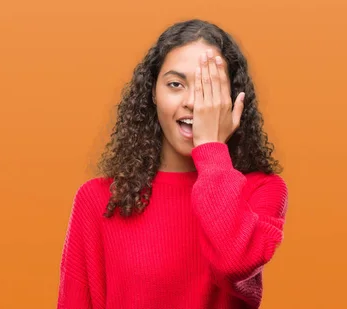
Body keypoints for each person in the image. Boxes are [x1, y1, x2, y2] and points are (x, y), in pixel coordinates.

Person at [56, 19, 289, 309]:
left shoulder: (262, 190)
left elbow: (235, 264)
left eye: (210, 88)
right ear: (153, 93)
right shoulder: (99, 199)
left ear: (232, 101)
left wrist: (210, 148)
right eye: (176, 84)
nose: (193, 101)